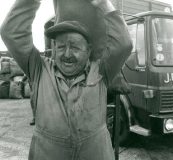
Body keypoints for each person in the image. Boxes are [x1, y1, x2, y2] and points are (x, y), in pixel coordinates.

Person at [0, 0, 132, 159]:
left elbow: (124, 44)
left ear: (88, 50)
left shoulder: (101, 72)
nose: (67, 54)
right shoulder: (39, 70)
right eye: (61, 47)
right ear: (53, 48)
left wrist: (104, 4)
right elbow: (11, 32)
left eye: (75, 47)